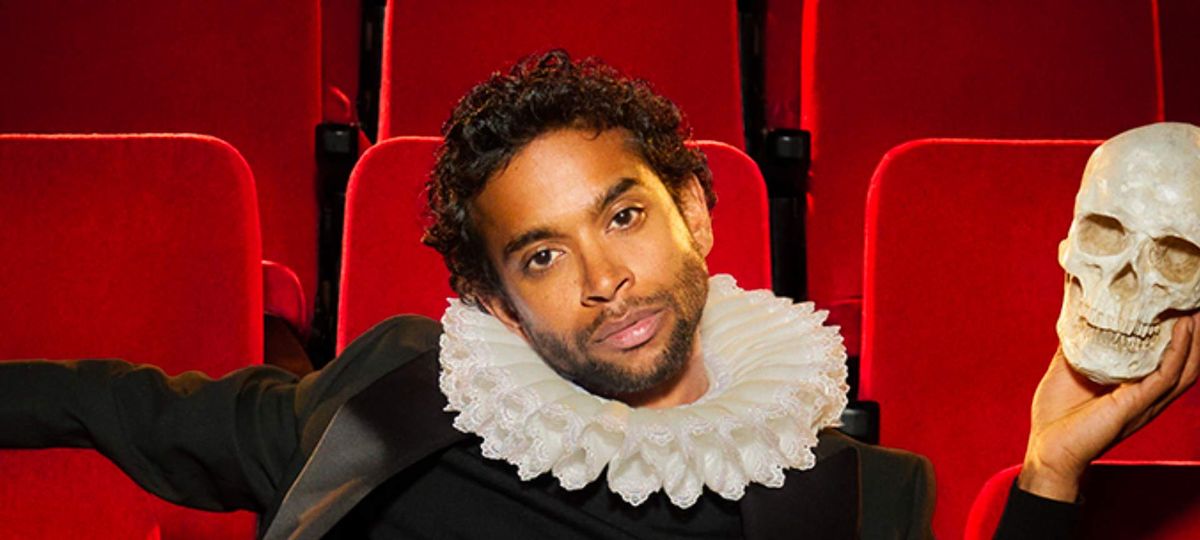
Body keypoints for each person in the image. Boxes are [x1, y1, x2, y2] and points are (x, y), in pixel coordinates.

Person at [1, 51, 1196, 539]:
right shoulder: (397, 400)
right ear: (498, 304)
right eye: (541, 255)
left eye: (623, 216)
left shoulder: (859, 499)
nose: (604, 278)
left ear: (698, 215)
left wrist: (1050, 471)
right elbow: (139, 409)